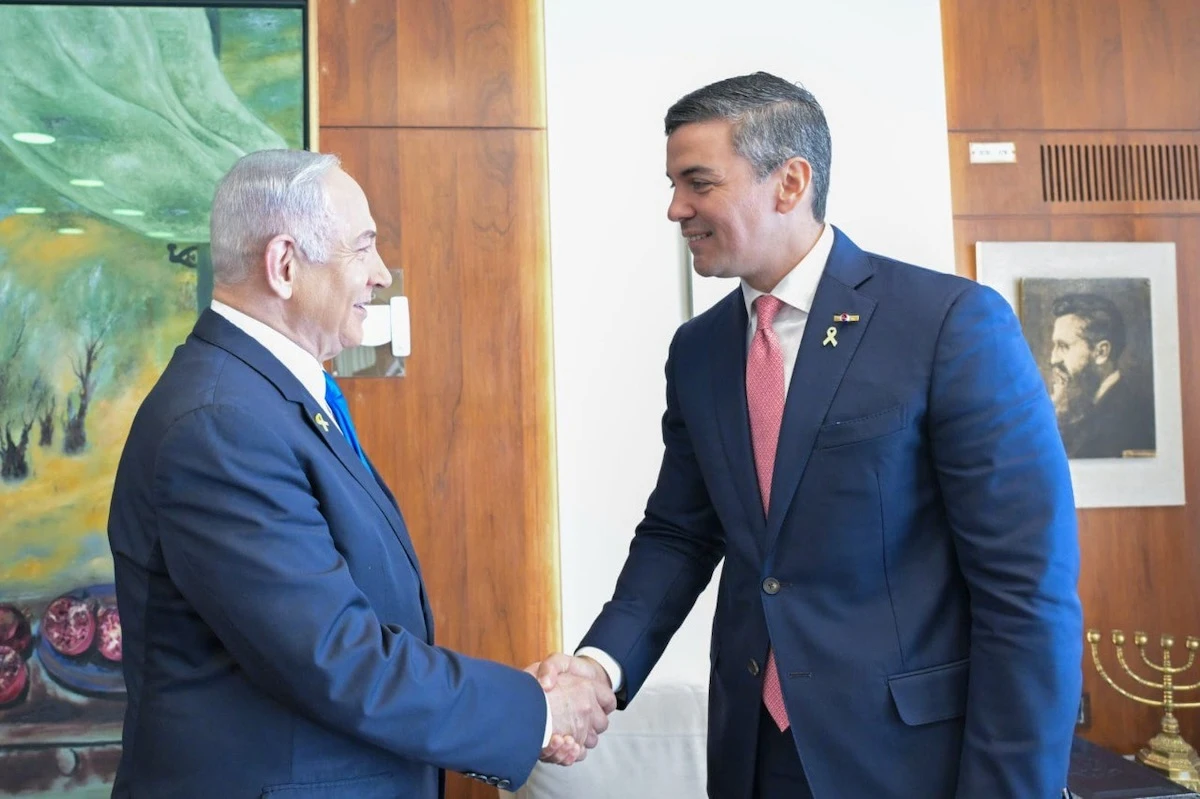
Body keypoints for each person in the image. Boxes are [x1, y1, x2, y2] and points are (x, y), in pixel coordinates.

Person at [535, 72, 1083, 798]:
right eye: (672, 184)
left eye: (698, 182)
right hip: (755, 759)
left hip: (914, 762)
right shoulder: (698, 352)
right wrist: (600, 665)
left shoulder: (948, 323)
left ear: (790, 182)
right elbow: (678, 535)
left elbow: (1027, 591)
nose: (676, 208)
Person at [106, 150, 613, 798]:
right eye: (363, 248)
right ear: (285, 264)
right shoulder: (220, 424)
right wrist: (534, 711)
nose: (379, 274)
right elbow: (336, 655)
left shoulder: (263, 399)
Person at [1048, 292, 1155, 458]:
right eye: (1055, 346)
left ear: (1101, 352)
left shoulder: (1133, 418)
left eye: (1063, 346)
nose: (1053, 359)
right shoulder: (1075, 409)